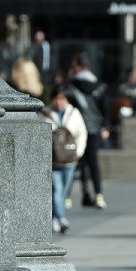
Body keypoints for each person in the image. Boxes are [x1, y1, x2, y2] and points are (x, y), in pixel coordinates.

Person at [65, 54, 109, 209]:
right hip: (94, 128)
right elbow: (104, 107)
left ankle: (67, 197)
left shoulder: (71, 85)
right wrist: (105, 126)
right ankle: (98, 195)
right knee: (93, 163)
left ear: (76, 68)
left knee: (73, 161)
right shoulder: (98, 85)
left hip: (76, 128)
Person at [41, 90, 87, 234]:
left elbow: (81, 133)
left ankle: (55, 216)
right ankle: (60, 218)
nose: (59, 102)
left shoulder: (74, 113)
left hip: (69, 160)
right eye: (56, 99)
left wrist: (78, 152)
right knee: (57, 190)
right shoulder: (45, 113)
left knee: (64, 191)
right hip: (54, 161)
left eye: (62, 99)